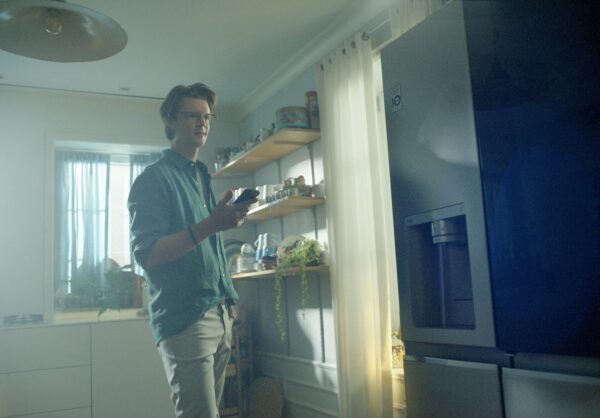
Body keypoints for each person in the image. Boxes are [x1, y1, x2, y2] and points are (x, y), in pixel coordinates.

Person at [128, 83, 256, 418]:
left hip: (219, 315)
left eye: (206, 117)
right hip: (185, 318)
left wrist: (228, 299)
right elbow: (149, 254)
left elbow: (208, 249)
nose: (202, 123)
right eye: (191, 116)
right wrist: (212, 224)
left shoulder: (200, 176)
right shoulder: (153, 179)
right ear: (170, 121)